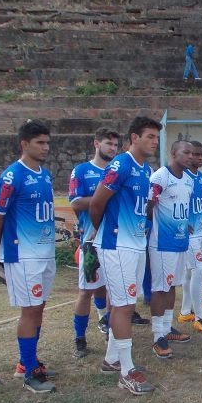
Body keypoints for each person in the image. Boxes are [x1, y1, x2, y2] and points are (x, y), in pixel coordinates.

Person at [87, 116, 162, 393]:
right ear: (134, 138)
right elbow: (96, 203)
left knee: (126, 302)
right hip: (117, 245)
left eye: (157, 137)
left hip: (136, 244)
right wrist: (103, 233)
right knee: (124, 305)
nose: (154, 142)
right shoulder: (121, 164)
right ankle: (127, 371)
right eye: (150, 136)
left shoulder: (145, 170)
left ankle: (111, 360)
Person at [0, 120, 57, 393]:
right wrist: (3, 247)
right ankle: (29, 372)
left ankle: (27, 362)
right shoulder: (12, 176)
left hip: (45, 253)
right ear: (24, 144)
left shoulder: (44, 173)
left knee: (38, 308)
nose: (45, 148)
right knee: (30, 311)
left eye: (47, 142)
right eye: (40, 143)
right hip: (24, 255)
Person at [68, 128, 120, 358]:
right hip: (90, 241)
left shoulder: (118, 170)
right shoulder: (81, 171)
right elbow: (76, 202)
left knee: (111, 289)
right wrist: (102, 198)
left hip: (114, 239)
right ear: (96, 144)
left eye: (116, 145)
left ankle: (107, 325)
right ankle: (79, 337)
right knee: (85, 291)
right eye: (109, 144)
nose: (113, 148)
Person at [148, 140, 195, 363]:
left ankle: (167, 329)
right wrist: (160, 224)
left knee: (172, 285)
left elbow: (177, 208)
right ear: (173, 153)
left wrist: (183, 224)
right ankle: (158, 337)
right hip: (161, 243)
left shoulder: (188, 180)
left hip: (179, 242)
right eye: (186, 152)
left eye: (192, 153)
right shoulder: (160, 177)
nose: (190, 156)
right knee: (160, 287)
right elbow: (148, 207)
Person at [176, 141, 202, 334]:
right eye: (195, 154)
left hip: (201, 230)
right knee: (199, 270)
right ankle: (199, 317)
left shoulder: (200, 176)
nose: (199, 158)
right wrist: (182, 223)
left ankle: (184, 311)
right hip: (188, 234)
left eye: (201, 155)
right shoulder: (180, 176)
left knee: (189, 273)